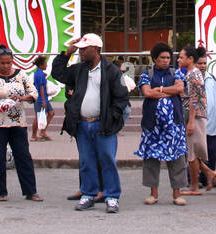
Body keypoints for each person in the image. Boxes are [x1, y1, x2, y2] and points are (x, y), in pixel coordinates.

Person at [51, 32, 129, 213]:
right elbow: (59, 73)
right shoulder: (80, 69)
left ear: (96, 49)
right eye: (80, 49)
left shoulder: (111, 71)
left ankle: (112, 197)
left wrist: (112, 118)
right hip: (82, 124)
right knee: (86, 161)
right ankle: (88, 194)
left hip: (103, 124)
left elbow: (122, 98)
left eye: (84, 49)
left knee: (107, 160)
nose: (81, 52)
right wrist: (66, 54)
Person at [0, 46, 41, 201]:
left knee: (23, 156)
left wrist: (21, 98)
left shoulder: (21, 75)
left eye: (9, 63)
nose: (6, 66)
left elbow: (33, 93)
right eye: (3, 63)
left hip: (17, 123)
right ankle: (1, 192)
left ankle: (30, 191)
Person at [137, 42, 189, 206]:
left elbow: (179, 89)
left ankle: (177, 194)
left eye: (168, 57)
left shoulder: (177, 74)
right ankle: (153, 193)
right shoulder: (147, 74)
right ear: (155, 59)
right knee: (151, 158)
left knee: (177, 159)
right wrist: (167, 90)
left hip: (174, 125)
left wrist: (158, 90)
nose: (166, 61)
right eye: (162, 58)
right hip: (152, 126)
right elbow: (146, 92)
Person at [180, 45, 216, 194]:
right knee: (193, 152)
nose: (179, 60)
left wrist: (190, 121)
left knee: (192, 153)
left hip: (195, 117)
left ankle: (195, 186)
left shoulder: (192, 74)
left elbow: (194, 99)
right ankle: (209, 174)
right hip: (196, 116)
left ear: (190, 59)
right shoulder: (193, 73)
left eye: (181, 57)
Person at [203, 59, 216, 177]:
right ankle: (195, 178)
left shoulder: (211, 78)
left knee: (212, 151)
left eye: (204, 63)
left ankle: (210, 176)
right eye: (199, 63)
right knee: (198, 153)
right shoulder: (189, 78)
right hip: (197, 122)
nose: (202, 66)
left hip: (212, 121)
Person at [30, 55, 54, 142]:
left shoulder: (39, 73)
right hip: (40, 99)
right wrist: (43, 100)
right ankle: (33, 136)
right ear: (41, 65)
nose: (46, 65)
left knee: (51, 113)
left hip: (43, 98)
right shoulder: (39, 74)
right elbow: (41, 87)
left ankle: (43, 132)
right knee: (38, 117)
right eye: (45, 63)